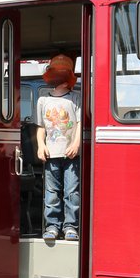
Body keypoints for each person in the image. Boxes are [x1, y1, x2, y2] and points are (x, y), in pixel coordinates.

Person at [36, 54, 81, 241]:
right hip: (51, 154)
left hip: (71, 154)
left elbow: (79, 124)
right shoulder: (42, 100)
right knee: (52, 192)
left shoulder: (75, 98)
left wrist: (76, 144)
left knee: (72, 191)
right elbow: (41, 127)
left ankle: (70, 226)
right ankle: (53, 225)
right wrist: (41, 146)